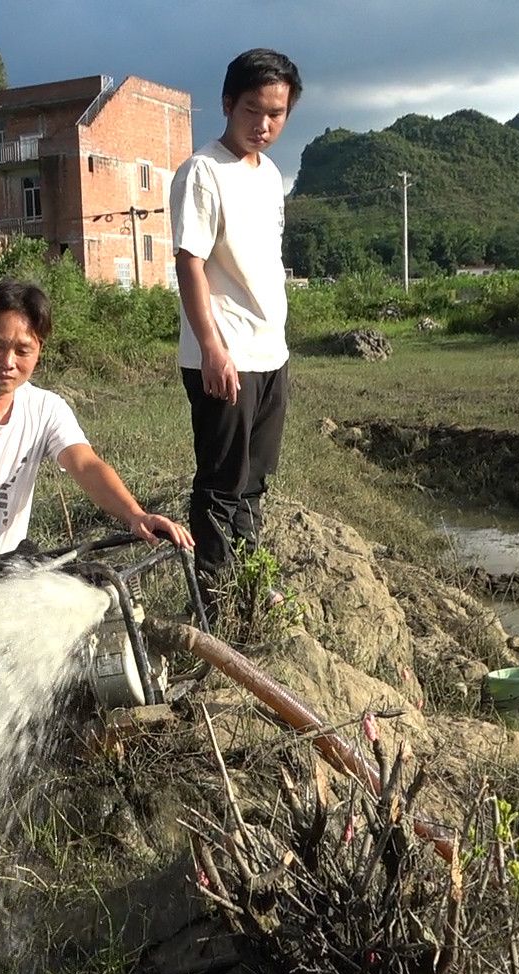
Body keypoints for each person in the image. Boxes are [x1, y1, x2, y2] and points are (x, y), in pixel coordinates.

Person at [0, 279, 192, 580]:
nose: (8, 362)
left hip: (0, 560)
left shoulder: (46, 408)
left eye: (22, 350)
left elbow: (85, 465)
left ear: (39, 350)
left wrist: (136, 515)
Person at [170, 48, 301, 608]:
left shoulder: (269, 173)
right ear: (228, 104)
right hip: (223, 356)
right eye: (253, 110)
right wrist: (213, 348)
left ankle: (248, 582)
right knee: (222, 482)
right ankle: (215, 602)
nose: (264, 125)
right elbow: (188, 263)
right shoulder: (202, 171)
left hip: (270, 352)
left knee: (256, 479)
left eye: (276, 113)